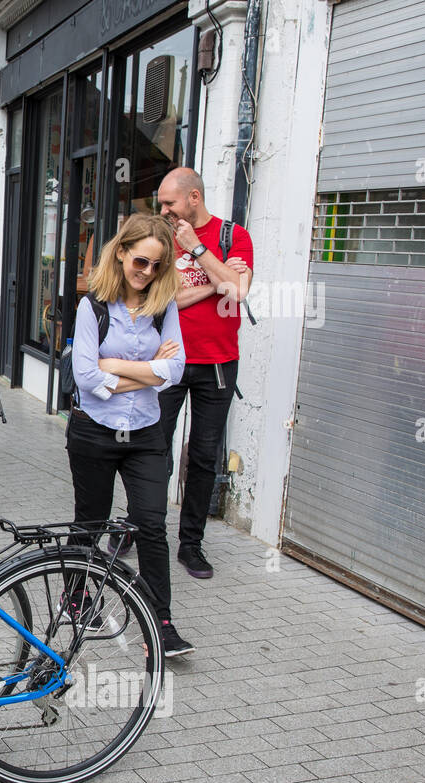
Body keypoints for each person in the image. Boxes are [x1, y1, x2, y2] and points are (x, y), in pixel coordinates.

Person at [67, 212, 192, 657]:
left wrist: (115, 366)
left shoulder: (164, 306)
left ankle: (161, 624)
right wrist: (148, 373)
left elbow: (174, 372)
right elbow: (84, 377)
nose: (147, 273)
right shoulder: (93, 306)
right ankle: (76, 595)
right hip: (94, 432)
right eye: (141, 261)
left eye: (157, 265)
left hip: (145, 434)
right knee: (91, 521)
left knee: (153, 528)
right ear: (120, 252)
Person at [155, 167, 254, 579]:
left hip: (217, 363)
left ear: (193, 198)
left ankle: (191, 544)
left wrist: (197, 251)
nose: (163, 210)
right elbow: (168, 298)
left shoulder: (234, 236)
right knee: (152, 448)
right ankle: (142, 527)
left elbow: (239, 292)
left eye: (169, 203)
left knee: (203, 455)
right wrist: (217, 281)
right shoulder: (161, 237)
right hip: (170, 359)